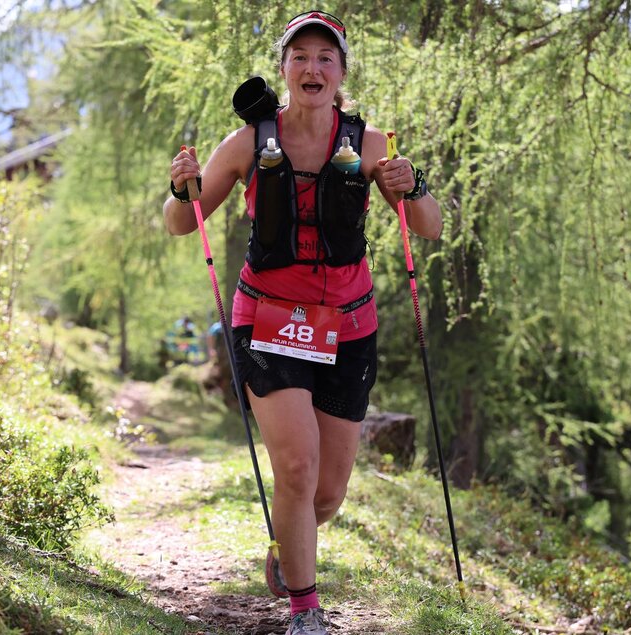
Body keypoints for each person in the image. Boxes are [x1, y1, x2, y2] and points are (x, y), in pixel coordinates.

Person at [163, 10, 442, 635]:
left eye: (325, 58)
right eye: (300, 57)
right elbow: (183, 222)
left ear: (340, 72)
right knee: (296, 466)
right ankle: (305, 609)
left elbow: (430, 225)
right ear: (285, 67)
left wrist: (412, 183)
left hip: (348, 325)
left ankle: (288, 547)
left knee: (328, 495)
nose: (312, 67)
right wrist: (180, 189)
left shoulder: (371, 145)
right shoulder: (245, 144)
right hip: (267, 318)